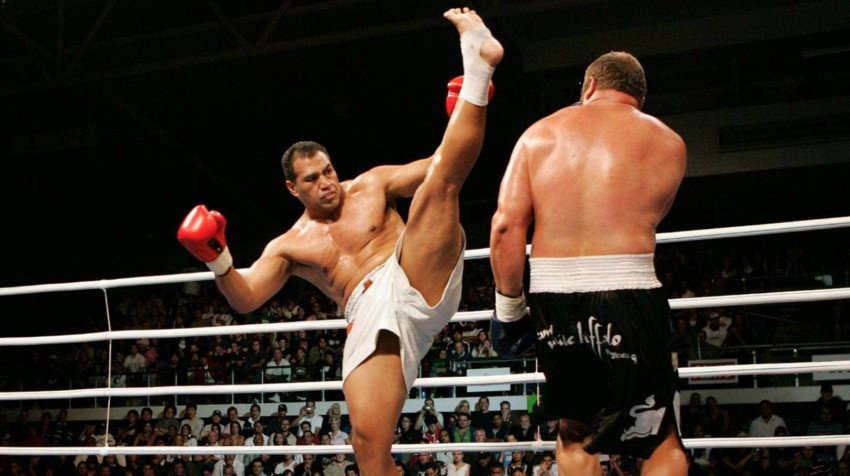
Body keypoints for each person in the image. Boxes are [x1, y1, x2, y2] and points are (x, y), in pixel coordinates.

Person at [177, 8, 502, 476]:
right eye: (313, 178)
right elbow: (245, 298)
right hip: (367, 311)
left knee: (438, 184)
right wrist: (218, 257)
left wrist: (463, 113)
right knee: (370, 450)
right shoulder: (290, 245)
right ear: (293, 188)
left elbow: (440, 161)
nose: (328, 182)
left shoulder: (370, 184)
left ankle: (478, 64)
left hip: (413, 270)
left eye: (328, 170)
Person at [488, 51, 688, 476]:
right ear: (639, 97)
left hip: (553, 297)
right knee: (659, 438)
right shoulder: (669, 142)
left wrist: (509, 312)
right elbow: (651, 215)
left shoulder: (538, 135)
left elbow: (506, 227)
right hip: (628, 289)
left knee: (573, 430)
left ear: (590, 86)